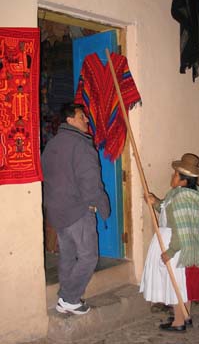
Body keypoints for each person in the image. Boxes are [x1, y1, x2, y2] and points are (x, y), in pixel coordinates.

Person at [41, 102, 110, 315]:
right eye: (82, 117)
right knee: (89, 257)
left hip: (58, 212)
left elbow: (45, 175)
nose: (86, 120)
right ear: (70, 120)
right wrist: (101, 206)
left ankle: (64, 298)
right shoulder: (80, 145)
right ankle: (70, 298)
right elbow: (90, 181)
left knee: (68, 256)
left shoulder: (52, 145)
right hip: (78, 211)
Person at [140, 153, 199, 331]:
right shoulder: (189, 195)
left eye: (175, 174)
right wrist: (155, 201)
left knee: (176, 285)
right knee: (182, 285)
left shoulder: (180, 199)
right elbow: (168, 211)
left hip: (177, 245)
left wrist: (170, 252)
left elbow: (179, 228)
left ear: (183, 180)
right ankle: (185, 316)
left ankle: (179, 322)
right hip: (187, 245)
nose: (172, 177)